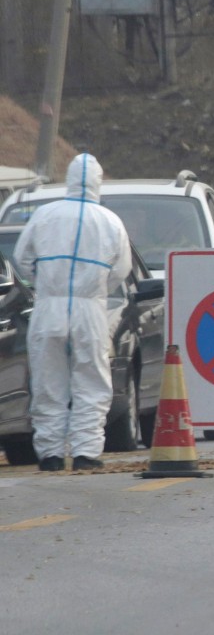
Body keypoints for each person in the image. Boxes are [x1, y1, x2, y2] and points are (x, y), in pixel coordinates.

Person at [13, 153, 132, 472]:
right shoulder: (109, 221)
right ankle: (86, 453)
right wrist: (96, 289)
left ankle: (50, 454)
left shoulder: (45, 215)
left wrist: (44, 284)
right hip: (90, 311)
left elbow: (22, 259)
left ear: (68, 179)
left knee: (49, 382)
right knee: (91, 381)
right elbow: (121, 269)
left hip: (48, 308)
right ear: (98, 181)